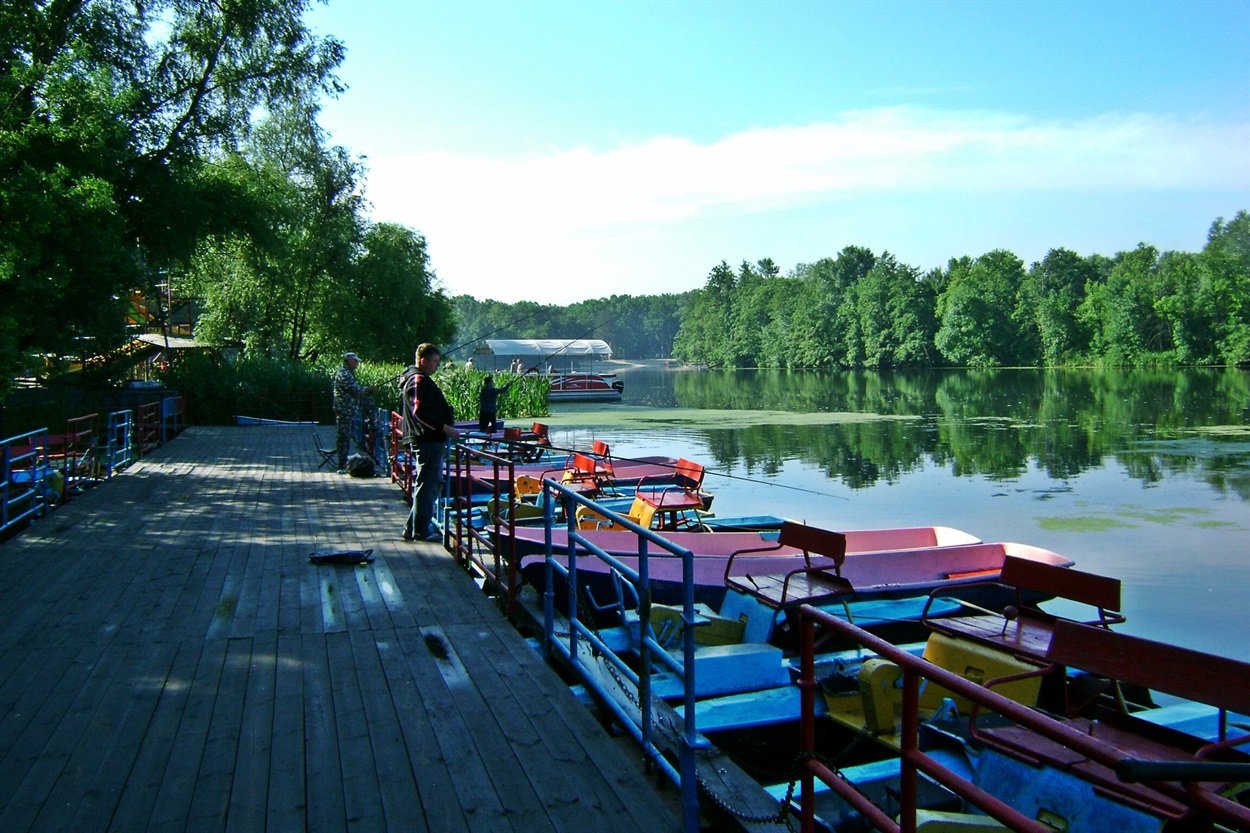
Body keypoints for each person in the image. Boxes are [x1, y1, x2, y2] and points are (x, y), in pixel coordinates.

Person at [401, 343, 459, 541]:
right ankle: (420, 531)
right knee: (427, 485)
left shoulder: (418, 378)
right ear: (423, 360)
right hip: (427, 440)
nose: (436, 366)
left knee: (427, 485)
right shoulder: (418, 380)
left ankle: (412, 528)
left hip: (429, 439)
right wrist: (445, 428)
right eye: (434, 362)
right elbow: (419, 412)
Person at [332, 352, 376, 473]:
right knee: (343, 437)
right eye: (355, 361)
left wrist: (367, 390)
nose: (357, 363)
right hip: (344, 410)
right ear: (348, 361)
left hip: (347, 410)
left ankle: (343, 462)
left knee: (345, 436)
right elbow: (354, 390)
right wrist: (369, 389)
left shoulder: (348, 373)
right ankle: (341, 464)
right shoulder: (344, 374)